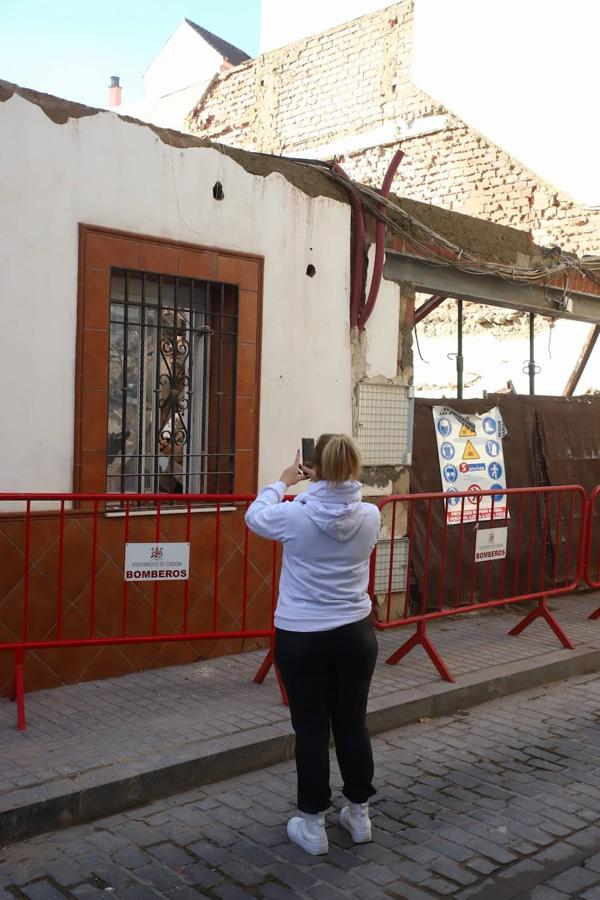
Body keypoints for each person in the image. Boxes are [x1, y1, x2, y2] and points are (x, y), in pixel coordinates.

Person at [245, 434, 380, 855]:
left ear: (314, 469)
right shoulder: (372, 515)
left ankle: (312, 824)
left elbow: (254, 516)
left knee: (310, 729)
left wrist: (283, 482)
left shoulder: (294, 514)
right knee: (352, 723)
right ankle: (359, 817)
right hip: (356, 633)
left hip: (302, 635)